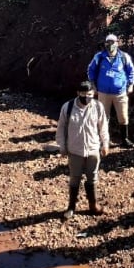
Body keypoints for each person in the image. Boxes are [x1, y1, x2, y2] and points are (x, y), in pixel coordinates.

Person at [55, 81, 110, 219]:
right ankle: (71, 206)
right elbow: (61, 128)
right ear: (78, 93)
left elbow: (103, 127)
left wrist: (105, 144)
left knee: (92, 177)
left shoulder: (98, 107)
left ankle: (93, 205)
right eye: (83, 94)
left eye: (90, 95)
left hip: (93, 149)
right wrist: (62, 145)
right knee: (75, 178)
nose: (87, 97)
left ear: (94, 94)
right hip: (75, 150)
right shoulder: (67, 108)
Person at [87, 34, 134, 148]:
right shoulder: (99, 57)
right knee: (103, 117)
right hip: (103, 92)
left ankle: (124, 139)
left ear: (117, 43)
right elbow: (91, 70)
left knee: (123, 117)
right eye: (108, 42)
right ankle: (104, 140)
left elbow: (131, 71)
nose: (110, 45)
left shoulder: (124, 57)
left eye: (112, 42)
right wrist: (93, 84)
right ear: (105, 43)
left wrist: (131, 85)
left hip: (120, 93)